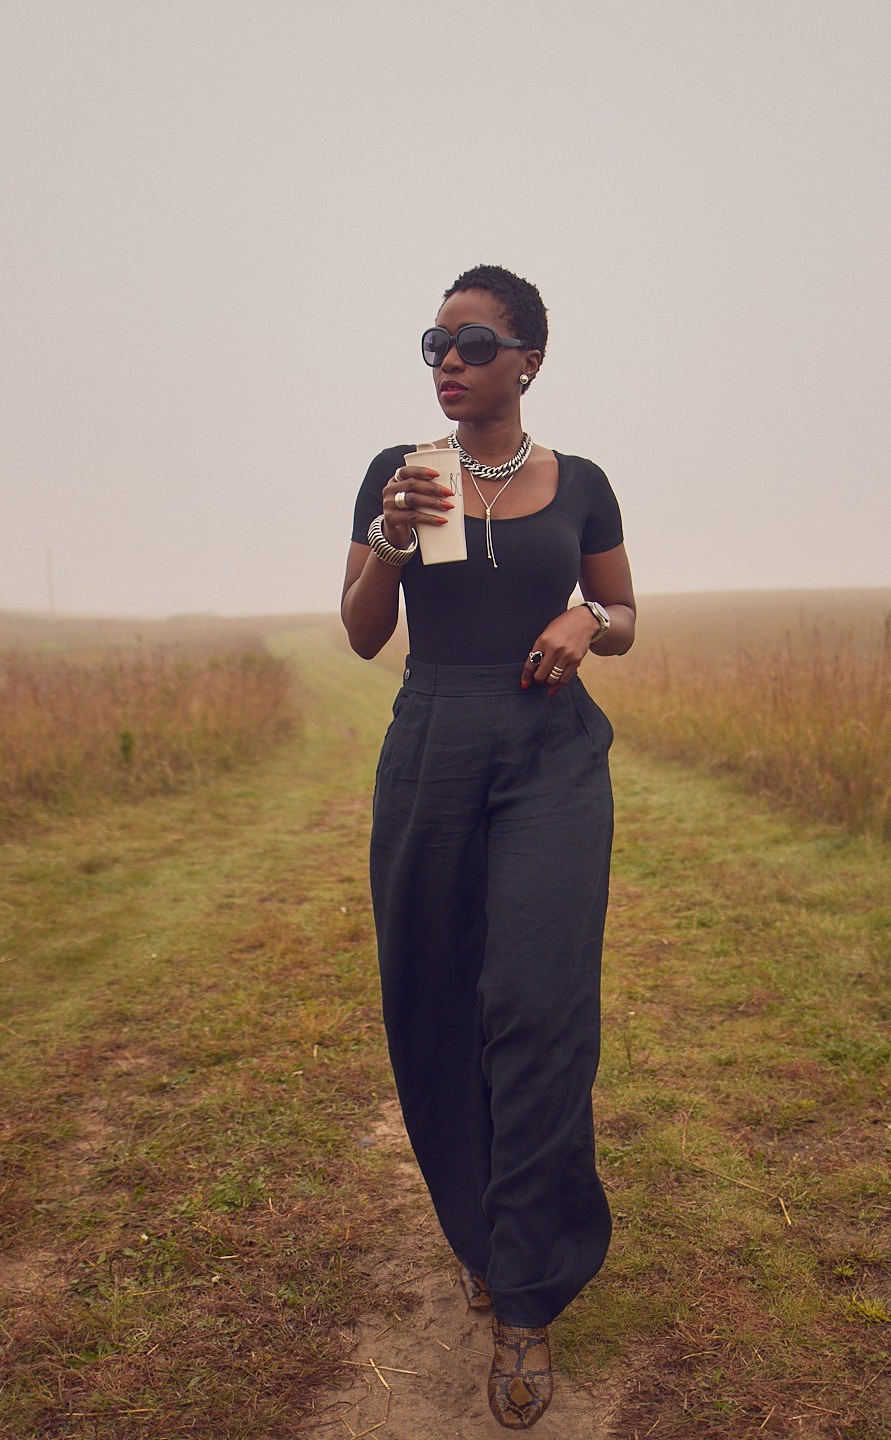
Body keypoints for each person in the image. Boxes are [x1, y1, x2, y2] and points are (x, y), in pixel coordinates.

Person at [340, 264, 636, 1430]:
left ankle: (526, 1291)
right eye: (434, 342)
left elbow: (623, 616)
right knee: (434, 998)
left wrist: (583, 619)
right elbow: (364, 635)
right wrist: (388, 541)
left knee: (539, 1004)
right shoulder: (402, 475)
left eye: (472, 341)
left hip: (552, 754)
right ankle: (480, 1226)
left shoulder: (586, 484)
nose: (447, 360)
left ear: (528, 361)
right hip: (434, 746)